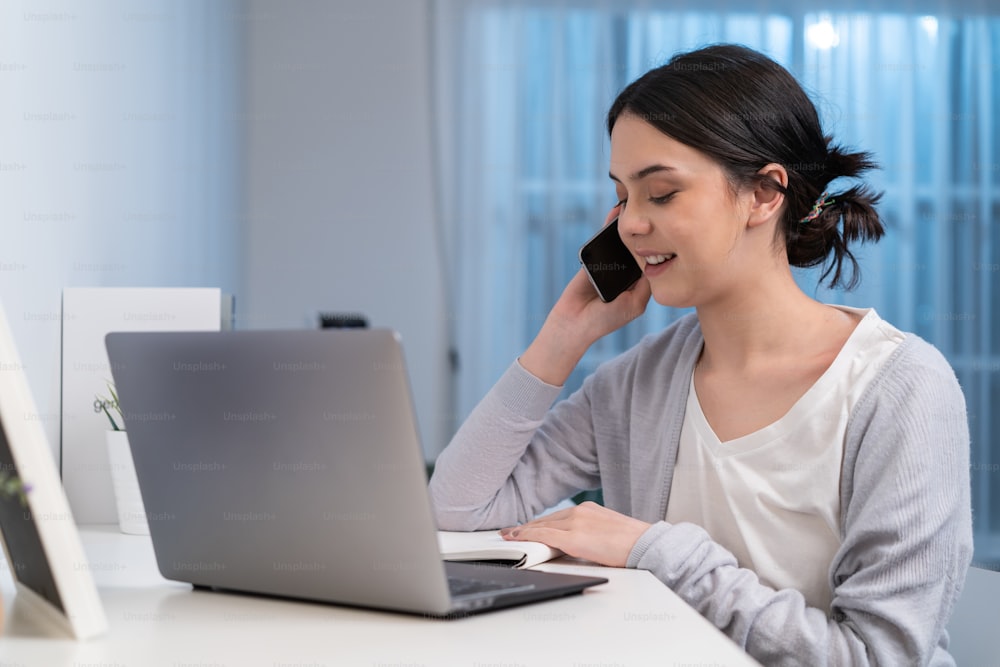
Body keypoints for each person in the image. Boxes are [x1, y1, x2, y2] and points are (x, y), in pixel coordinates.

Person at [428, 43, 972, 665]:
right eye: (623, 196)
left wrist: (654, 550)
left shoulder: (899, 388)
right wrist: (562, 337)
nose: (630, 224)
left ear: (766, 194)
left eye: (661, 194)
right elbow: (454, 514)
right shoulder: (637, 383)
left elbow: (879, 657)